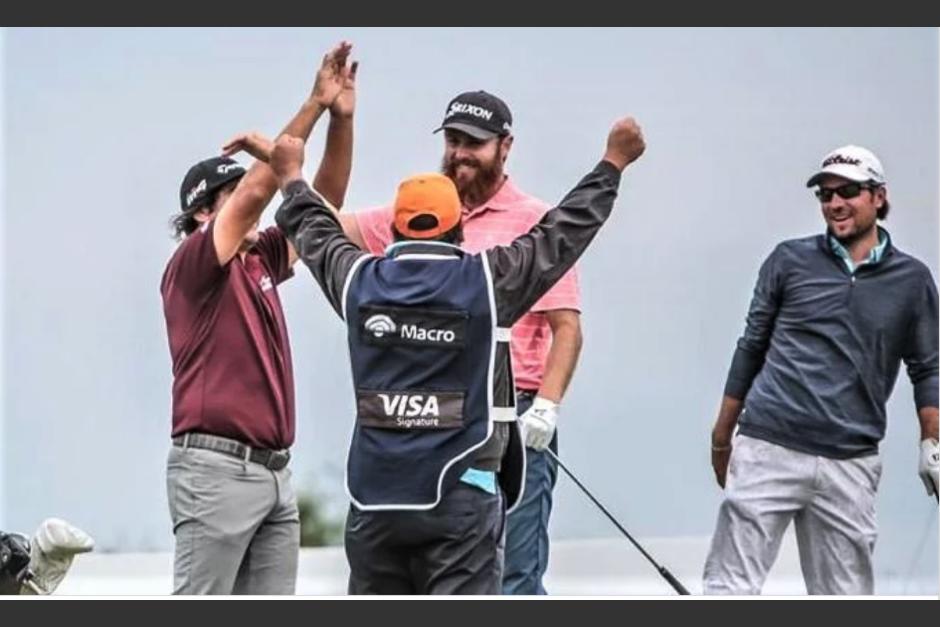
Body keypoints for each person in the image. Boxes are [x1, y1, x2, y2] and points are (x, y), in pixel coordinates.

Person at [254, 114, 644, 594]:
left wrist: (291, 177)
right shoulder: (485, 282)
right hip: (461, 499)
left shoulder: (357, 280)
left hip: (376, 504)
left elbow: (314, 230)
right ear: (460, 229)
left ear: (394, 230)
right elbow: (562, 233)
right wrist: (612, 163)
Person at [339, 90, 583, 594]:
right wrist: (330, 128)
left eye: (473, 143)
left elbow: (567, 327)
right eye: (453, 141)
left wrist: (547, 408)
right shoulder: (418, 214)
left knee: (515, 573)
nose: (459, 153)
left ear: (505, 146)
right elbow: (326, 225)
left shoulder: (535, 220)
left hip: (514, 415)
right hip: (432, 415)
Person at [160, 42, 357, 594]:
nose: (254, 206)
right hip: (215, 471)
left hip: (273, 474)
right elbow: (258, 188)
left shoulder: (259, 260)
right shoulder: (195, 264)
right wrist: (312, 105)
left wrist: (341, 119)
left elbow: (325, 202)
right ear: (203, 213)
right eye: (230, 196)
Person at [703, 145, 940, 595]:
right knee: (728, 589)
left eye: (848, 192)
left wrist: (932, 443)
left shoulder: (913, 280)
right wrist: (722, 435)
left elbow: (927, 369)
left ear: (879, 197)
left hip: (850, 459)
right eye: (826, 195)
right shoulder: (788, 260)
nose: (834, 203)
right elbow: (751, 347)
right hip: (769, 443)